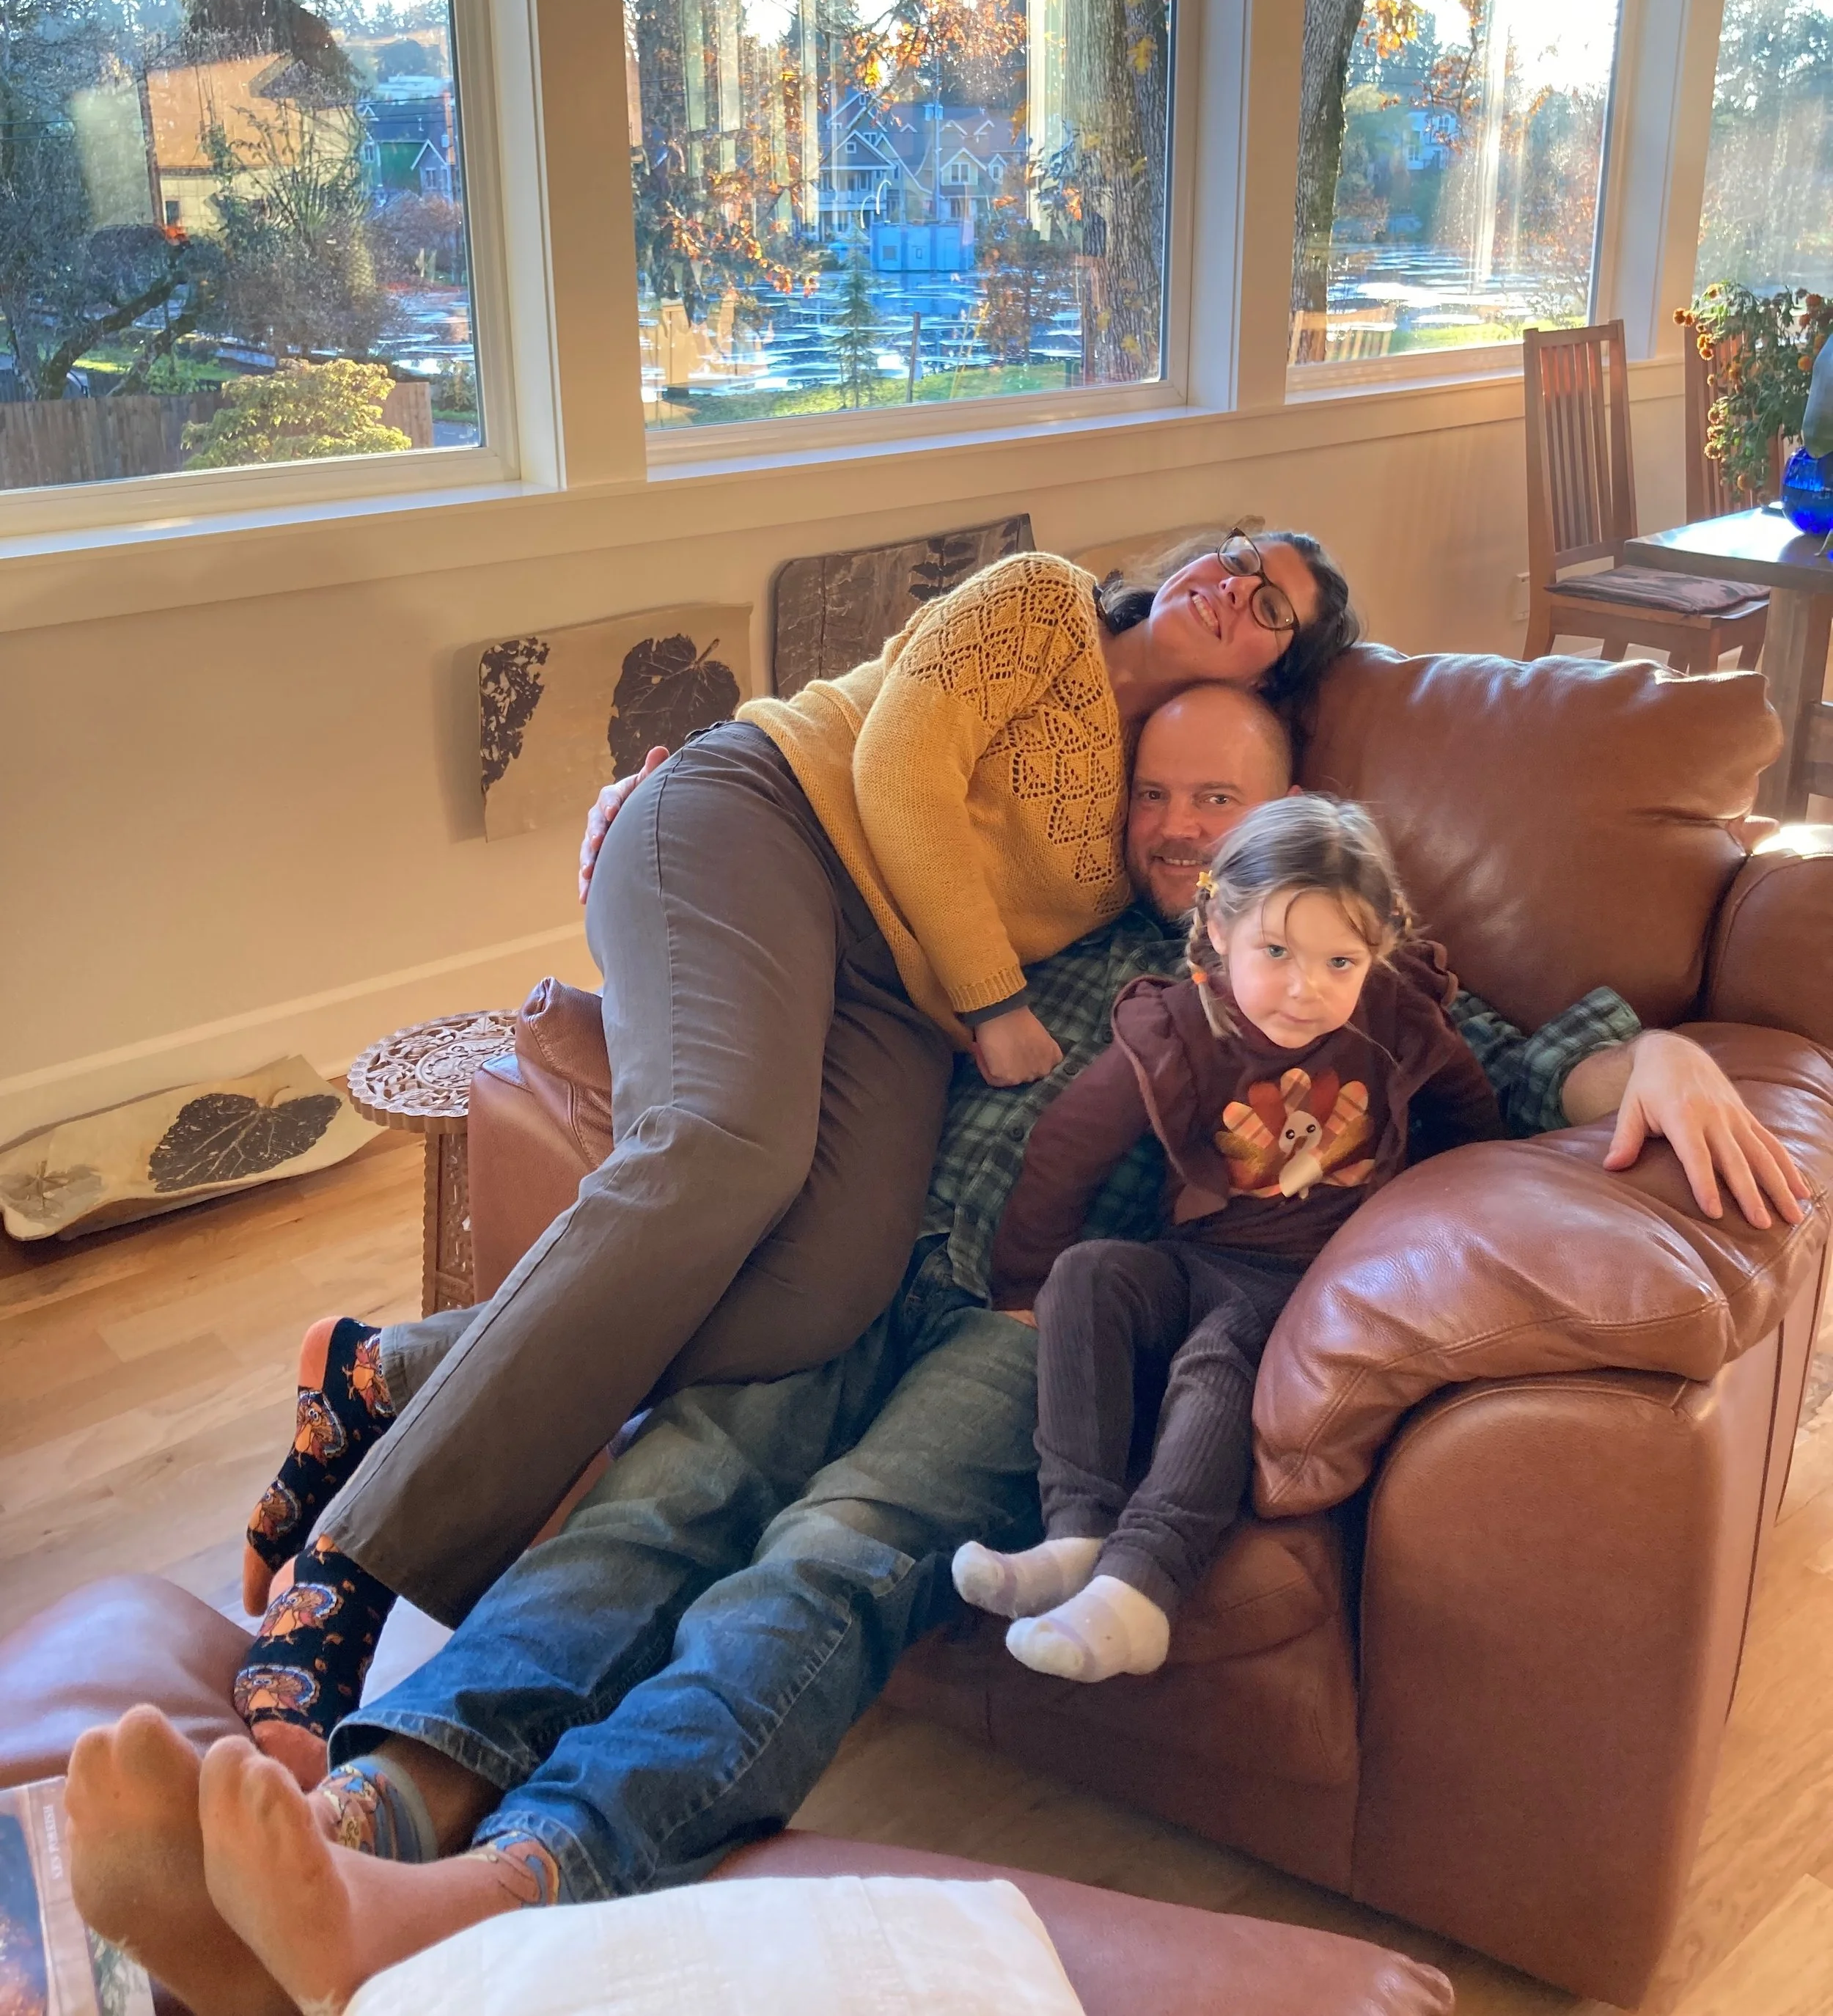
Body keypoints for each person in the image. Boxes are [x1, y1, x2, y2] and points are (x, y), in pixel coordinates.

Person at [65, 683, 1808, 2016]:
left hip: (1035, 1339)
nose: (1183, 821)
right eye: (1159, 791)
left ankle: (512, 1883)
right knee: (654, 1503)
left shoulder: (1320, 956)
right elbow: (834, 861)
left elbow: (1514, 1045)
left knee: (819, 1564)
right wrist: (644, 824)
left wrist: (1644, 1064)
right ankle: (379, 1807)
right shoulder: (1044, 916)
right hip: (854, 1277)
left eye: (1227, 794)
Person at [235, 533, 1357, 1764]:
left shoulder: (1169, 804)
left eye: (1265, 604)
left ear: (1276, 673)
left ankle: (382, 1370)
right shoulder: (1048, 599)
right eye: (1232, 553)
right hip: (765, 819)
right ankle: (347, 1571)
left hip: (885, 991)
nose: (1222, 584)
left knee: (826, 1295)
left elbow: (1301, 939)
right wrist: (991, 1001)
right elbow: (897, 764)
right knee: (723, 1152)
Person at [954, 795, 1499, 1682]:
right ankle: (1077, 1535)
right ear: (1217, 927)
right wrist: (1021, 1287)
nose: (1304, 987)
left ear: (1378, 953)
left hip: (1321, 1282)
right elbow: (1065, 1148)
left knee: (1221, 1351)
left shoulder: (1395, 1019)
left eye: (1338, 961)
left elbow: (1473, 1119)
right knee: (1089, 1274)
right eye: (1275, 952)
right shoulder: (1183, 1028)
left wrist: (1443, 1236)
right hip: (1200, 1258)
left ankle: (1141, 1586)